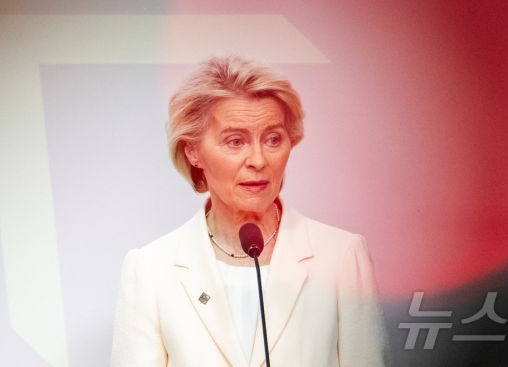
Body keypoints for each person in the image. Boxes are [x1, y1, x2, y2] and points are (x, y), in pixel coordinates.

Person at [111, 56, 387, 366]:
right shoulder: (151, 269)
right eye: (235, 141)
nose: (258, 160)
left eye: (273, 139)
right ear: (193, 151)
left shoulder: (340, 256)